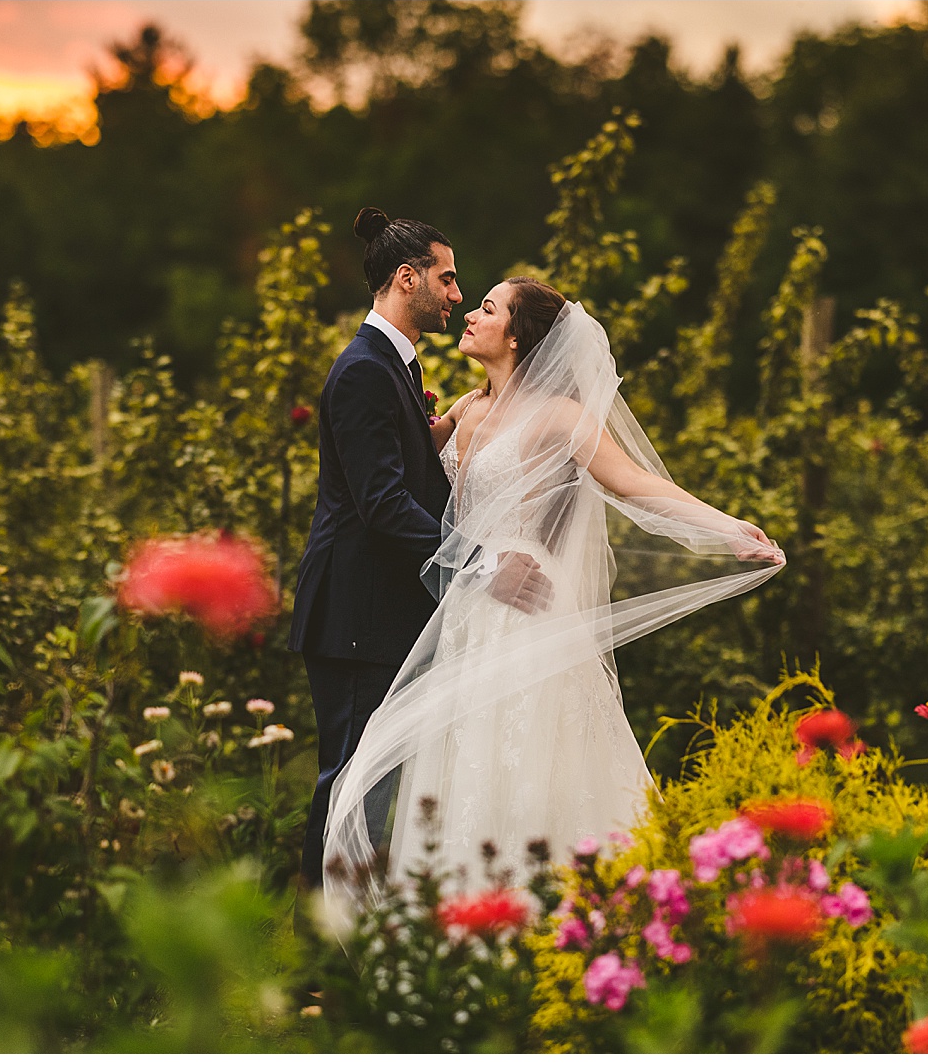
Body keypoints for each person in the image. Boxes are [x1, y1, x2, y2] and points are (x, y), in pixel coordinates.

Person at [323, 276, 784, 917]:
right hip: (469, 602)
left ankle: (556, 914)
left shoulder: (561, 417)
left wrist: (726, 528)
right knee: (464, 759)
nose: (470, 313)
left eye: (487, 308)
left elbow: (635, 483)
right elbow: (390, 473)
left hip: (530, 603)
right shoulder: (466, 409)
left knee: (536, 752)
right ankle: (460, 917)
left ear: (516, 336)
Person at [288, 210, 551, 889]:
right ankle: (320, 941)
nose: (457, 295)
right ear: (408, 279)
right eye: (448, 279)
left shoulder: (396, 368)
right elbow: (382, 506)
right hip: (356, 613)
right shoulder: (364, 371)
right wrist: (484, 564)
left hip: (378, 612)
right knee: (351, 783)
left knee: (371, 787)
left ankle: (351, 932)